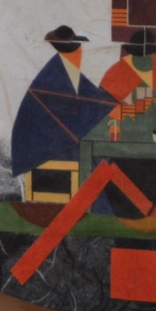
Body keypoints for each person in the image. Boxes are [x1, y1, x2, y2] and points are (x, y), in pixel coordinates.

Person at [10, 26, 116, 202]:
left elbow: (95, 100)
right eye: (78, 49)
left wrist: (116, 106)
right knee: (99, 157)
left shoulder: (70, 71)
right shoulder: (54, 74)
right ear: (75, 51)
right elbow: (70, 116)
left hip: (59, 142)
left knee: (105, 154)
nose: (81, 54)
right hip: (42, 151)